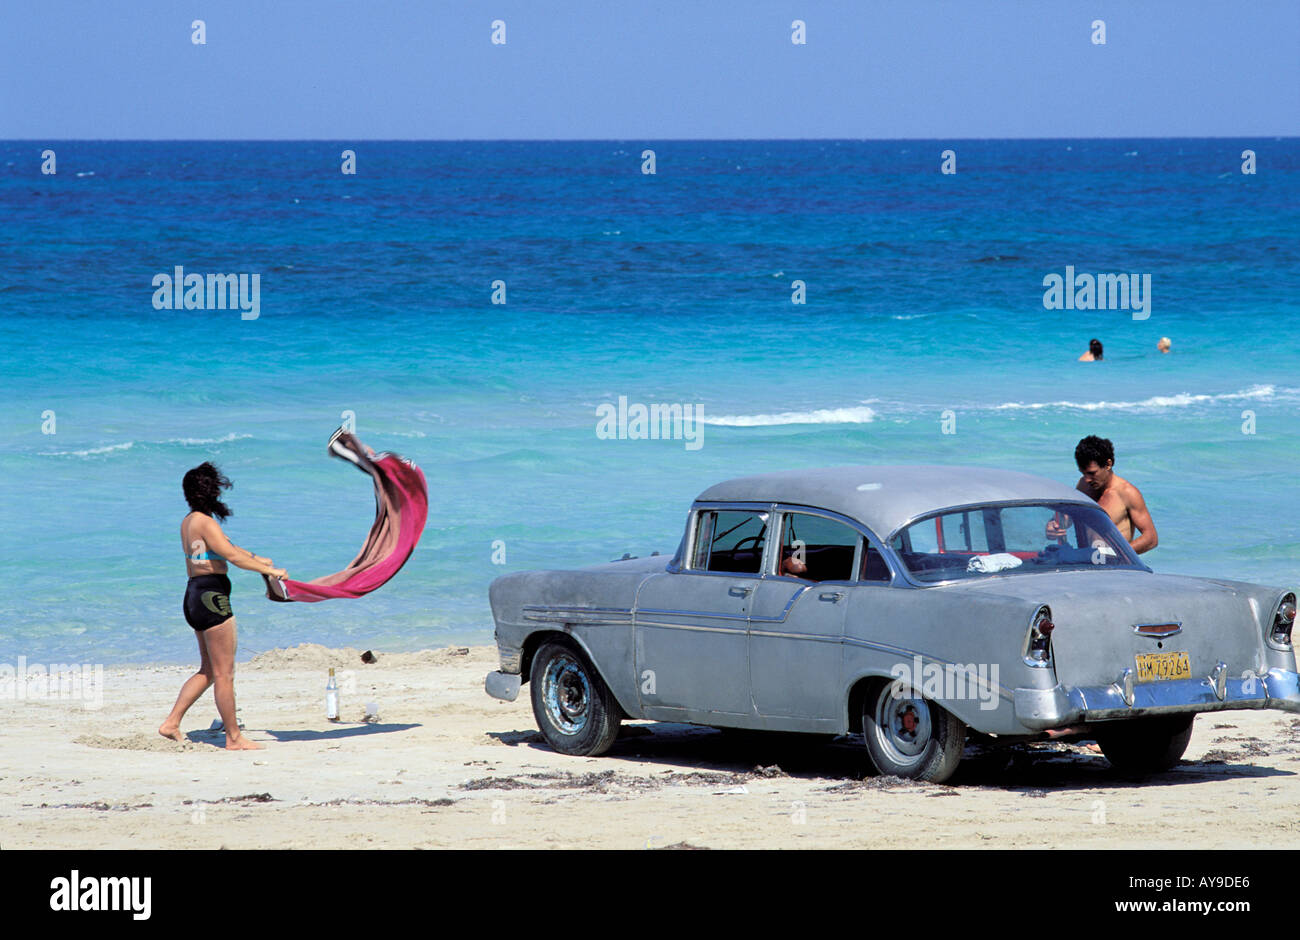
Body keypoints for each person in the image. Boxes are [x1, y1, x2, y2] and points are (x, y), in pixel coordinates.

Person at [159, 462, 285, 750]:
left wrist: (260, 560)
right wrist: (272, 573)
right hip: (211, 598)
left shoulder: (190, 521)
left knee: (209, 670)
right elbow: (231, 556)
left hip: (194, 596)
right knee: (225, 673)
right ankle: (233, 737)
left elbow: (228, 550)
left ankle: (171, 723)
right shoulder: (205, 521)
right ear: (210, 491)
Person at [1048, 436, 1158, 554]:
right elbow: (1071, 517)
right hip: (1087, 562)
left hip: (1115, 567)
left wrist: (1119, 554)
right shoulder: (1083, 486)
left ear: (1108, 464)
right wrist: (1053, 526)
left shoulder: (1127, 493)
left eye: (1092, 473)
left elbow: (1151, 539)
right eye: (1083, 473)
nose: (1087, 479)